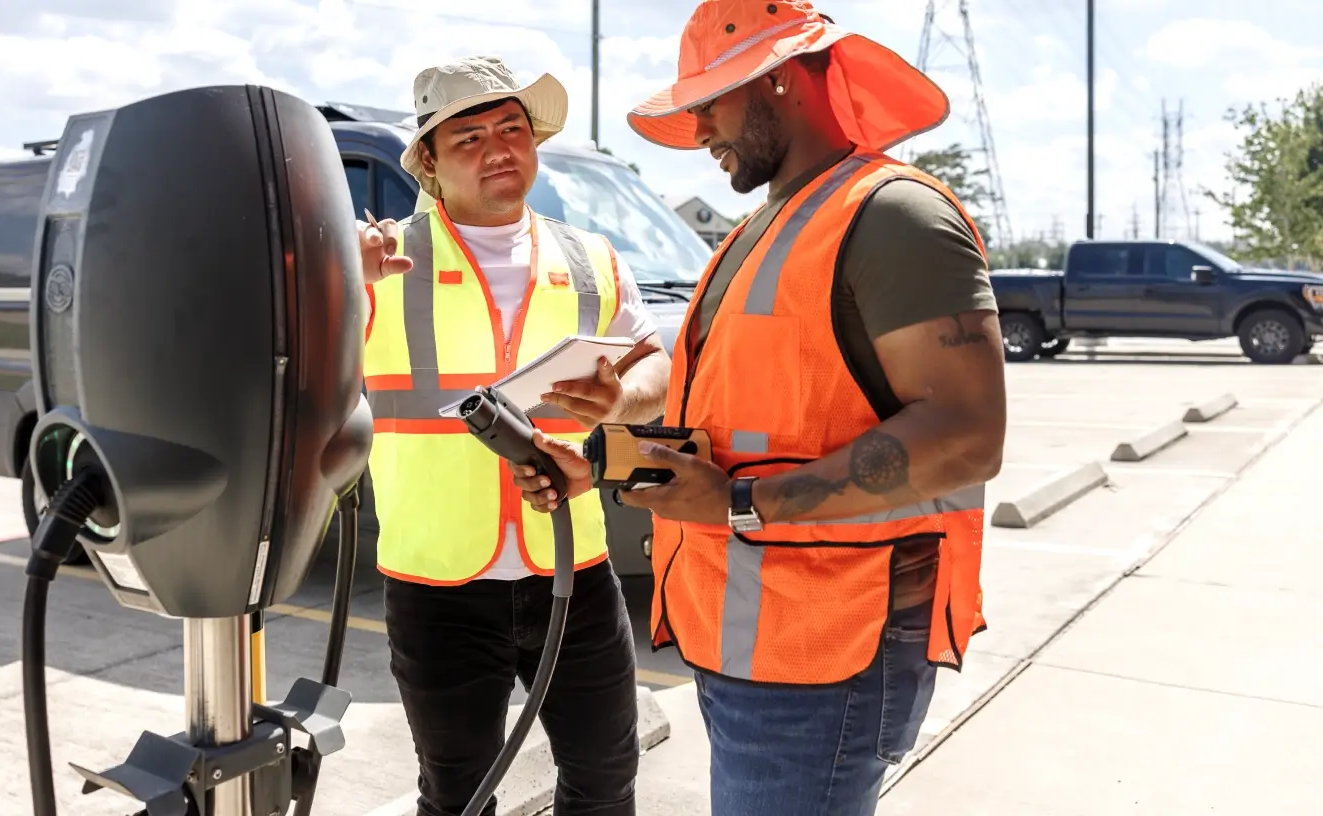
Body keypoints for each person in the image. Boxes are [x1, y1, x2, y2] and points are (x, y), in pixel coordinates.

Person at [508, 2, 1008, 814]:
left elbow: (967, 436)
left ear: (781, 77)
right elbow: (715, 393)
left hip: (826, 653)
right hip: (756, 643)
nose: (699, 126)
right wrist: (606, 440)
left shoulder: (895, 217)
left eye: (712, 100)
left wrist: (741, 503)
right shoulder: (760, 229)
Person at [355, 55, 671, 816]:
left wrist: (620, 399)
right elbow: (294, 363)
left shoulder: (591, 258)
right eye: (469, 137)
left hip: (573, 567)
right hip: (439, 584)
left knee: (604, 785)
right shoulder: (379, 261)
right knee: (459, 798)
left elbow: (653, 366)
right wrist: (342, 282)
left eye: (512, 129)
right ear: (428, 161)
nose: (499, 149)